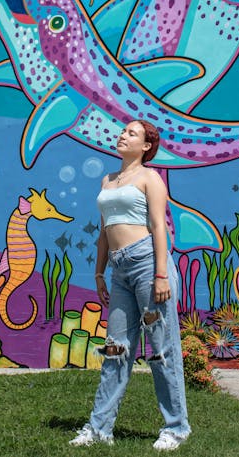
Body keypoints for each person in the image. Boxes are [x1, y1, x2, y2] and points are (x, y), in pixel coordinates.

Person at [69, 120, 191, 451]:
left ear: (147, 146)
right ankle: (99, 428)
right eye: (123, 131)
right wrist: (98, 273)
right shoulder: (107, 180)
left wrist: (162, 275)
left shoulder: (151, 178)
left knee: (162, 349)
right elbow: (104, 231)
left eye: (132, 133)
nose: (123, 135)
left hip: (149, 266)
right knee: (115, 349)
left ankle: (176, 428)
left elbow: (158, 226)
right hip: (120, 271)